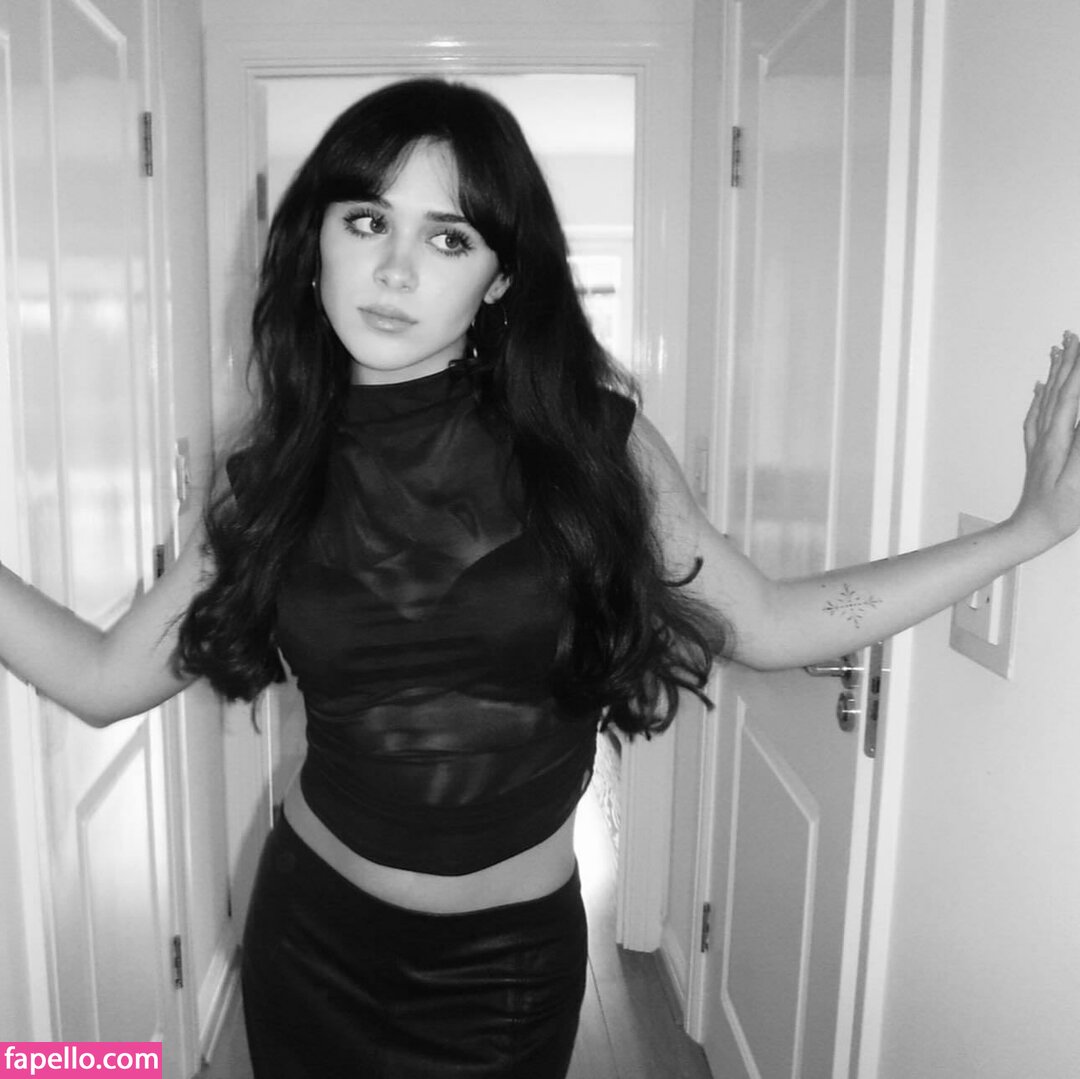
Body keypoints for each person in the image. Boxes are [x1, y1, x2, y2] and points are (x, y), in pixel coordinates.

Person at [1, 77, 1078, 1078]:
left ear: (502, 275)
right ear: (314, 240)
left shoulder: (591, 445)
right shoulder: (271, 480)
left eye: (449, 236)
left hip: (503, 972)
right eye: (366, 220)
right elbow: (102, 678)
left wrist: (1025, 531)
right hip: (311, 935)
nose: (395, 269)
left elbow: (771, 623)